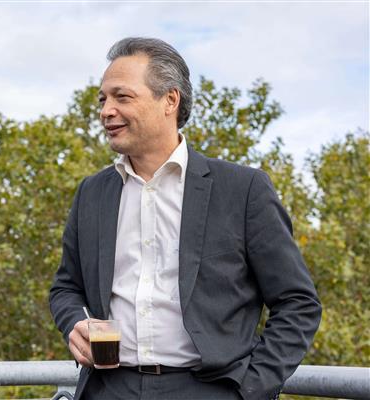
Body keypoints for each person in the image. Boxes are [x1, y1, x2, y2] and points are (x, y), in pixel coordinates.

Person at [49, 37, 322, 400]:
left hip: (209, 390)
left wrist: (251, 389)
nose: (106, 110)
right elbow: (66, 287)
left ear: (170, 101)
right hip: (109, 388)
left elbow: (298, 303)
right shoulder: (92, 192)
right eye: (103, 99)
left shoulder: (242, 189)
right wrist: (75, 322)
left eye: (122, 97)